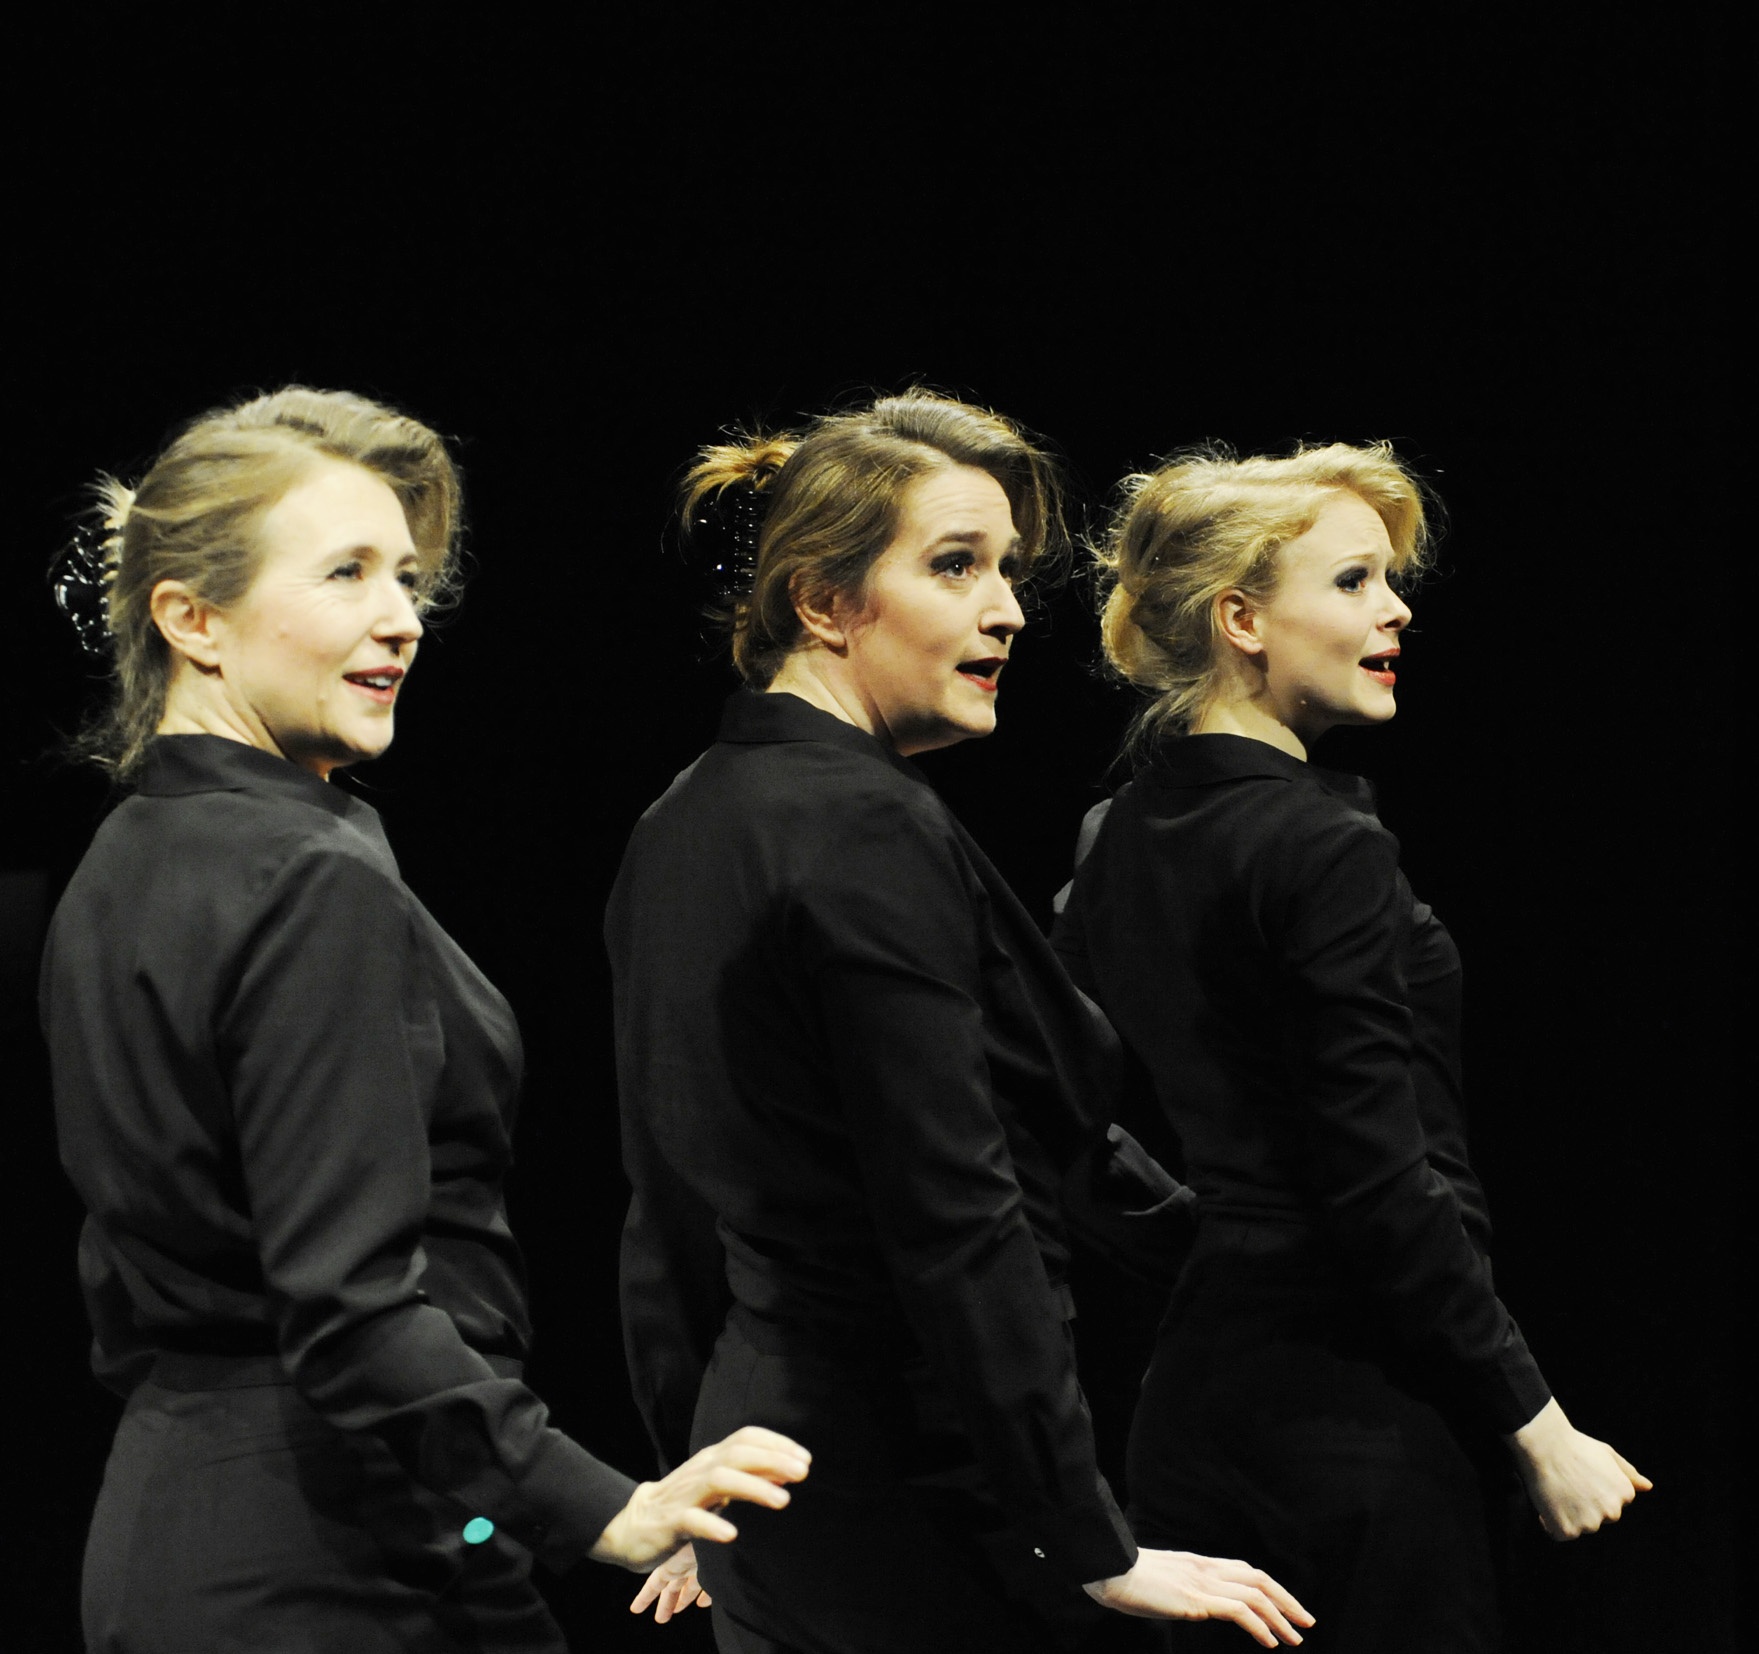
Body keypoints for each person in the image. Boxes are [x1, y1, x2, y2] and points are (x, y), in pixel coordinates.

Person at [39, 388, 810, 1654]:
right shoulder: (306, 871)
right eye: (345, 572)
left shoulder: (131, 852)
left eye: (405, 575)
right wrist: (604, 1506)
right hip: (333, 1549)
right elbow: (348, 1307)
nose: (401, 617)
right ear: (191, 617)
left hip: (195, 1526)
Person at [606, 392, 1312, 1653]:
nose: (1007, 610)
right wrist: (1087, 1537)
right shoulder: (863, 827)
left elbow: (664, 1208)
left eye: (1008, 570)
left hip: (763, 1477)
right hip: (918, 1485)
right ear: (823, 601)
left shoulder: (681, 818)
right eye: (954, 565)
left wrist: (690, 1484)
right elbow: (957, 1210)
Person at [1051, 443, 1651, 1652]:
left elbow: (1061, 1114)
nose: (1395, 609)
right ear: (1241, 620)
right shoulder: (1319, 847)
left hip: (1193, 1404)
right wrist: (1535, 1423)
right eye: (1351, 580)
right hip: (1354, 1413)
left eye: (1388, 579)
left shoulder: (1116, 831)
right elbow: (1380, 1177)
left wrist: (1209, 1239)